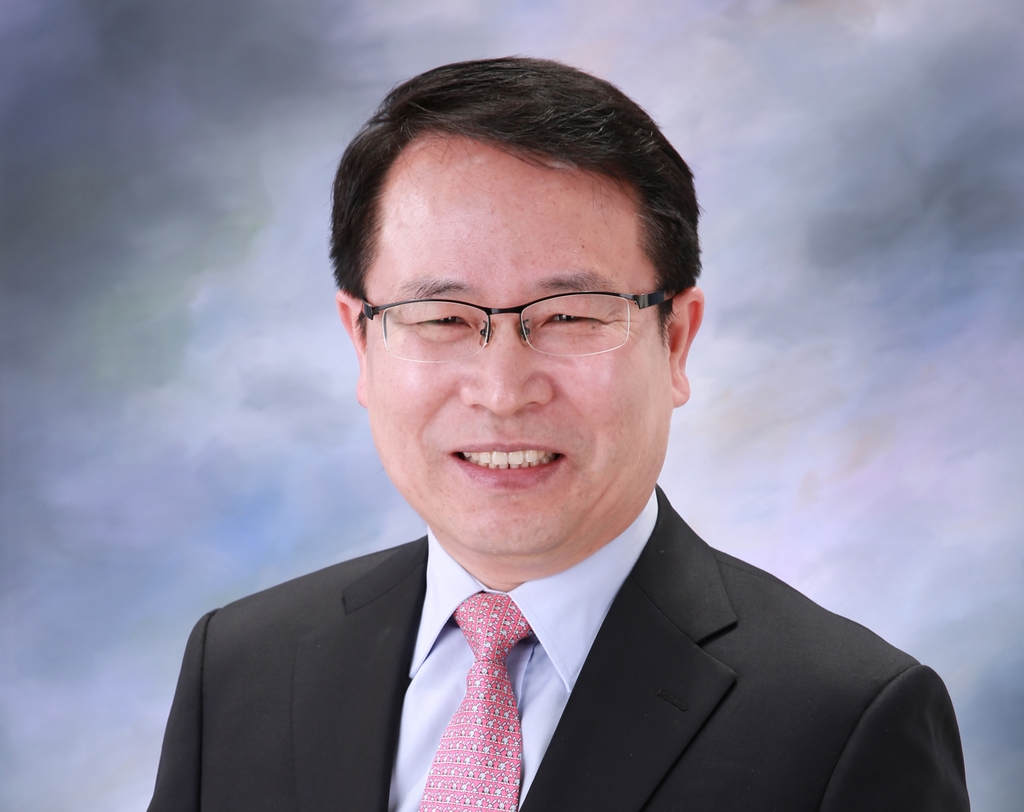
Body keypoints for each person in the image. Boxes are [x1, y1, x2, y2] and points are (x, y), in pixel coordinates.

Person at [147, 57, 970, 812]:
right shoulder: (243, 667)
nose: (503, 391)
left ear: (676, 342)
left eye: (571, 315)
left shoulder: (845, 721)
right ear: (361, 344)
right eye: (441, 317)